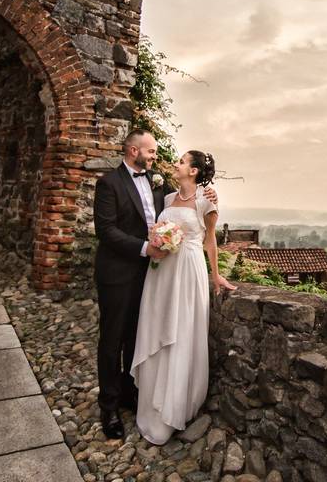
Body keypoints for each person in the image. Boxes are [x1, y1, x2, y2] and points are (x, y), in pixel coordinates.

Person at [93, 130, 216, 440]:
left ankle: (129, 392)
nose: (155, 157)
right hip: (118, 272)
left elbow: (187, 210)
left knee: (139, 334)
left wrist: (209, 193)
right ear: (134, 150)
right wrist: (146, 248)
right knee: (112, 338)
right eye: (150, 152)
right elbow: (105, 230)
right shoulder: (109, 184)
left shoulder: (157, 183)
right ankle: (108, 406)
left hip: (152, 275)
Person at [131, 150, 235, 445]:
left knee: (180, 331)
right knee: (157, 324)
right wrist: (158, 238)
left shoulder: (206, 202)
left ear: (193, 171)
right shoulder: (166, 198)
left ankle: (172, 409)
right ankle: (150, 405)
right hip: (161, 271)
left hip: (187, 270)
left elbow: (210, 241)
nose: (175, 164)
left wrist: (216, 275)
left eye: (181, 161)